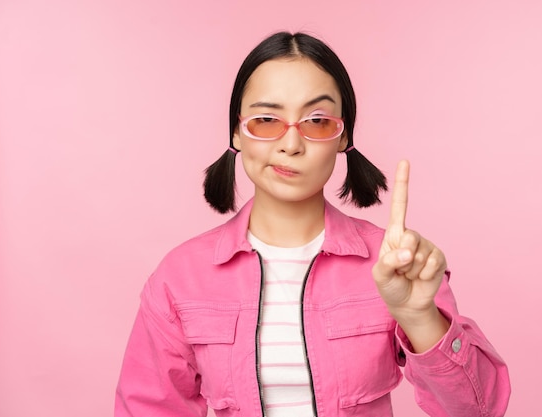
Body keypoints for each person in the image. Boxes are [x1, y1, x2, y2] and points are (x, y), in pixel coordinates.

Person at [115, 31, 510, 417]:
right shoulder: (180, 277)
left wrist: (421, 318)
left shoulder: (394, 265)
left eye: (317, 120)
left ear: (343, 136)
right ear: (237, 131)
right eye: (266, 119)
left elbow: (479, 411)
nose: (291, 144)